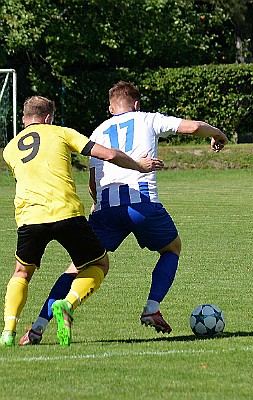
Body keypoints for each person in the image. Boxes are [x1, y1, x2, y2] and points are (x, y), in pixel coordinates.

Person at [19, 81, 228, 345]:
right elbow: (193, 127)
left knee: (78, 267)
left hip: (106, 209)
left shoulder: (99, 130)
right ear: (136, 104)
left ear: (110, 107)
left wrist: (97, 203)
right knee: (172, 248)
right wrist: (218, 134)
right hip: (142, 204)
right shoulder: (148, 119)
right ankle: (151, 308)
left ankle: (38, 327)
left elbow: (93, 182)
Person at [0, 95, 164, 347]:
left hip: (29, 217)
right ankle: (68, 304)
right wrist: (138, 166)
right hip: (66, 213)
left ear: (24, 119)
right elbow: (107, 154)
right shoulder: (61, 132)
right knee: (99, 263)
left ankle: (8, 332)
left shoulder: (10, 149)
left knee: (22, 272)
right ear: (48, 118)